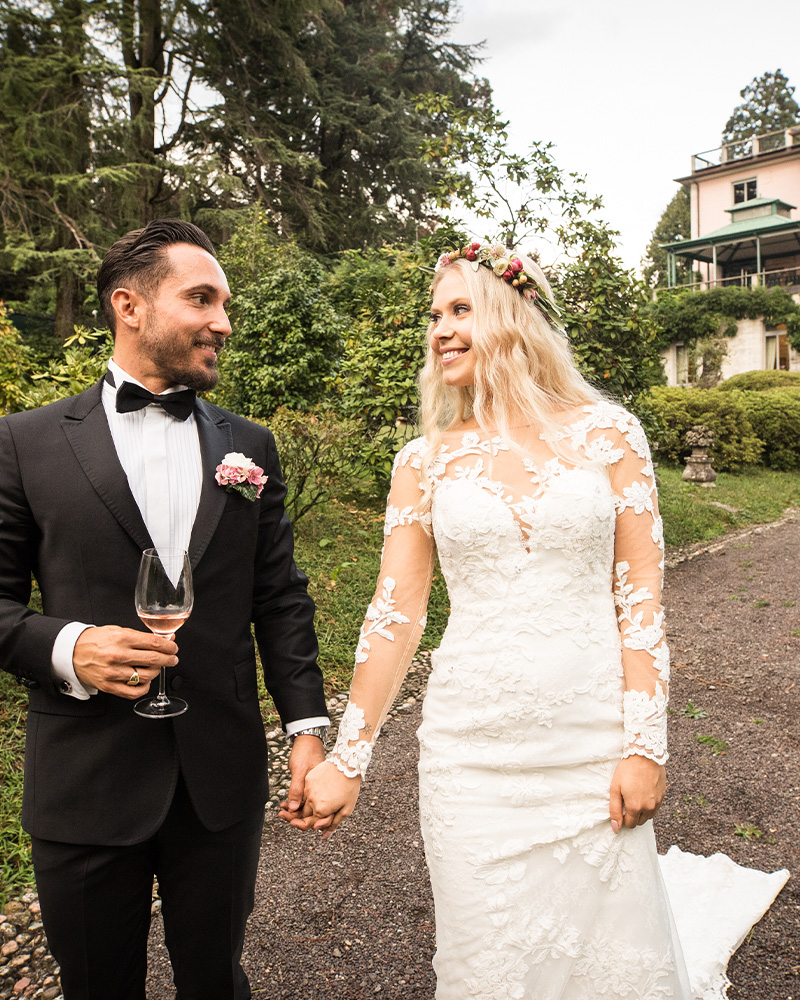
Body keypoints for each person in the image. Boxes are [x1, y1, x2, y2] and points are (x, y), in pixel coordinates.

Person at [287, 241, 695, 996]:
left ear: (512, 316)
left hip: (590, 743)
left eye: (459, 309)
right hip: (469, 756)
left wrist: (647, 746)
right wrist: (350, 756)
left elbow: (640, 603)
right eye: (434, 316)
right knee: (488, 965)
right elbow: (396, 613)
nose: (439, 329)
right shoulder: (425, 460)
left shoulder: (610, 436)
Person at [0, 219, 330, 1000]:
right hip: (85, 776)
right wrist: (66, 646)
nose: (223, 321)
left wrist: (308, 731)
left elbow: (279, 597)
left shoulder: (250, 445)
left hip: (218, 776)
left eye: (225, 303)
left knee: (215, 981)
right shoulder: (25, 442)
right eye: (203, 299)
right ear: (130, 306)